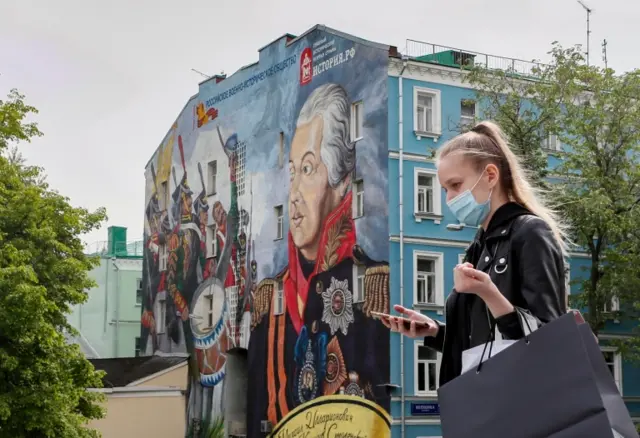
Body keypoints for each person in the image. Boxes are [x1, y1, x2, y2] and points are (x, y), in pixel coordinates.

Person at [247, 83, 390, 435]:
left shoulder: (373, 290)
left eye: (308, 170)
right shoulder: (270, 303)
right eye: (292, 172)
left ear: (341, 182)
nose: (294, 194)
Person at [383, 121, 567, 386]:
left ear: (490, 175)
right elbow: (483, 341)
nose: (449, 199)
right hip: (485, 403)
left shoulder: (530, 233)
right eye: (445, 189)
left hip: (523, 404)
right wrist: (436, 332)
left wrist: (489, 293)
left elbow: (550, 337)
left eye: (455, 185)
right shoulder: (480, 245)